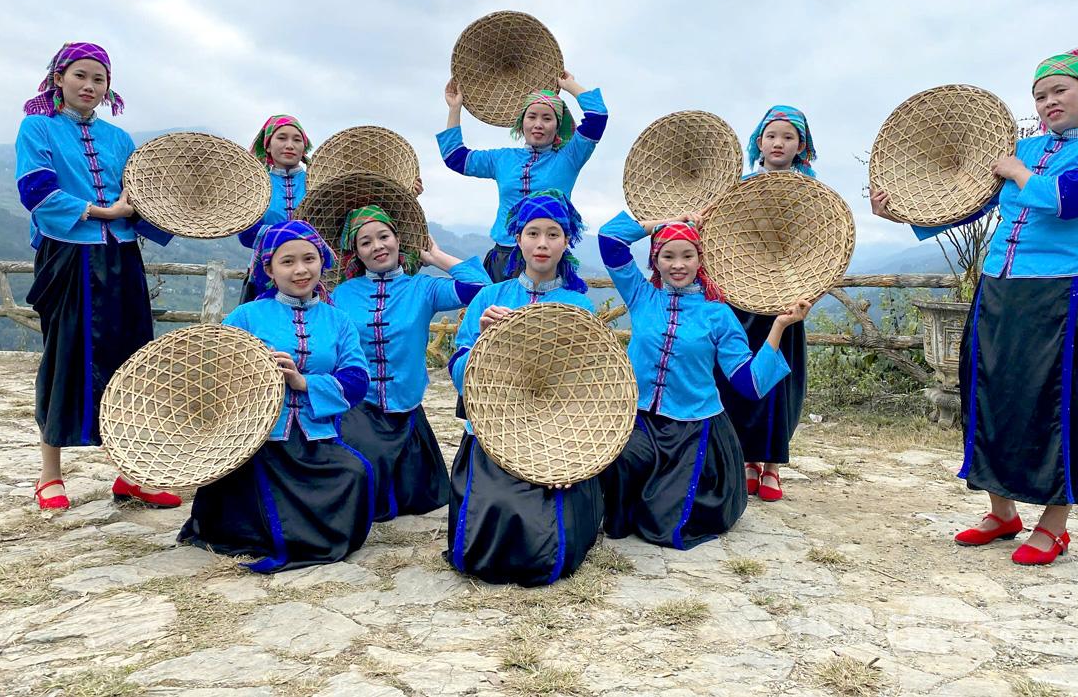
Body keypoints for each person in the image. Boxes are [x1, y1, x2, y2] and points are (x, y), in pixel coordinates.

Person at [871, 49, 1078, 566]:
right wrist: (899, 212)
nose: (1048, 102)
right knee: (989, 391)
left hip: (1071, 289)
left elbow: (1069, 200)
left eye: (1059, 90)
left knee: (1061, 404)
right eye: (1039, 95)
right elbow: (965, 202)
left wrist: (1017, 172)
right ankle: (1002, 513)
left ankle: (1053, 526)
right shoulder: (1024, 148)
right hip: (1000, 286)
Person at [15, 42, 179, 510]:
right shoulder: (37, 127)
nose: (89, 86)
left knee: (132, 359)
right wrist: (102, 211)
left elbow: (142, 195)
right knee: (64, 355)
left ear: (109, 88)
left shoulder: (119, 139)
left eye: (99, 79)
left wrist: (178, 209)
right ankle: (50, 476)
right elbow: (36, 190)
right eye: (80, 75)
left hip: (122, 257)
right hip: (68, 255)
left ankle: (133, 473)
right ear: (59, 78)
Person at [597, 210, 810, 549]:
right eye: (668, 256)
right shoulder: (641, 295)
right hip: (639, 421)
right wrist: (665, 223)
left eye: (687, 255)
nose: (678, 265)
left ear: (700, 260)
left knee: (667, 518)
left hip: (693, 430)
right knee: (617, 464)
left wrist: (779, 326)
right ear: (655, 260)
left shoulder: (718, 314)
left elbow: (750, 384)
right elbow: (610, 238)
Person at [178, 221, 375, 572]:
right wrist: (256, 370)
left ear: (321, 262)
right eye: (287, 262)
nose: (301, 270)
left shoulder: (338, 321)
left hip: (315, 435)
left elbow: (357, 380)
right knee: (249, 488)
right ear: (269, 269)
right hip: (257, 438)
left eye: (309, 259)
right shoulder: (247, 316)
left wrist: (303, 382)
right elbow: (214, 374)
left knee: (355, 472)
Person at [445, 190, 604, 586]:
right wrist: (483, 344)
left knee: (550, 532)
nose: (542, 243)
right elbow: (460, 376)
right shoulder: (489, 298)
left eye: (553, 234)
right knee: (495, 509)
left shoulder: (579, 307)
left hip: (558, 433)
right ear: (518, 238)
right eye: (533, 233)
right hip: (494, 431)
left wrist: (576, 452)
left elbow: (589, 386)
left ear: (567, 241)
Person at [331, 206, 489, 521]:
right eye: (365, 242)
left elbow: (480, 289)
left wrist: (435, 256)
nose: (377, 246)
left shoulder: (423, 288)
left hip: (406, 407)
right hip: (357, 408)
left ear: (398, 240)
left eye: (384, 236)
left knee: (416, 499)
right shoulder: (341, 294)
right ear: (356, 252)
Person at [716, 105, 817, 501]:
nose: (778, 143)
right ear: (759, 141)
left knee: (778, 380)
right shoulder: (740, 187)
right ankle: (746, 459)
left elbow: (817, 245)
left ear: (801, 146)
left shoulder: (811, 192)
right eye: (772, 135)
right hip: (741, 292)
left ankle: (772, 465)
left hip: (786, 297)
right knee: (739, 376)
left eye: (788, 137)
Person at [438, 72, 607, 282]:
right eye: (532, 116)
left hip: (546, 259)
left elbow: (597, 116)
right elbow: (455, 157)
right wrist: (455, 108)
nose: (538, 124)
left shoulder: (569, 157)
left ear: (557, 126)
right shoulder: (503, 159)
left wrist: (570, 85)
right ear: (521, 122)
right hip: (503, 258)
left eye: (547, 118)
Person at [236, 115, 312, 302]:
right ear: (268, 146)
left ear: (303, 148)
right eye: (282, 138)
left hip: (312, 270)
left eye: (297, 140)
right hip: (266, 270)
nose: (289, 145)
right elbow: (245, 234)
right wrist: (288, 234)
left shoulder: (315, 182)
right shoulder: (255, 185)